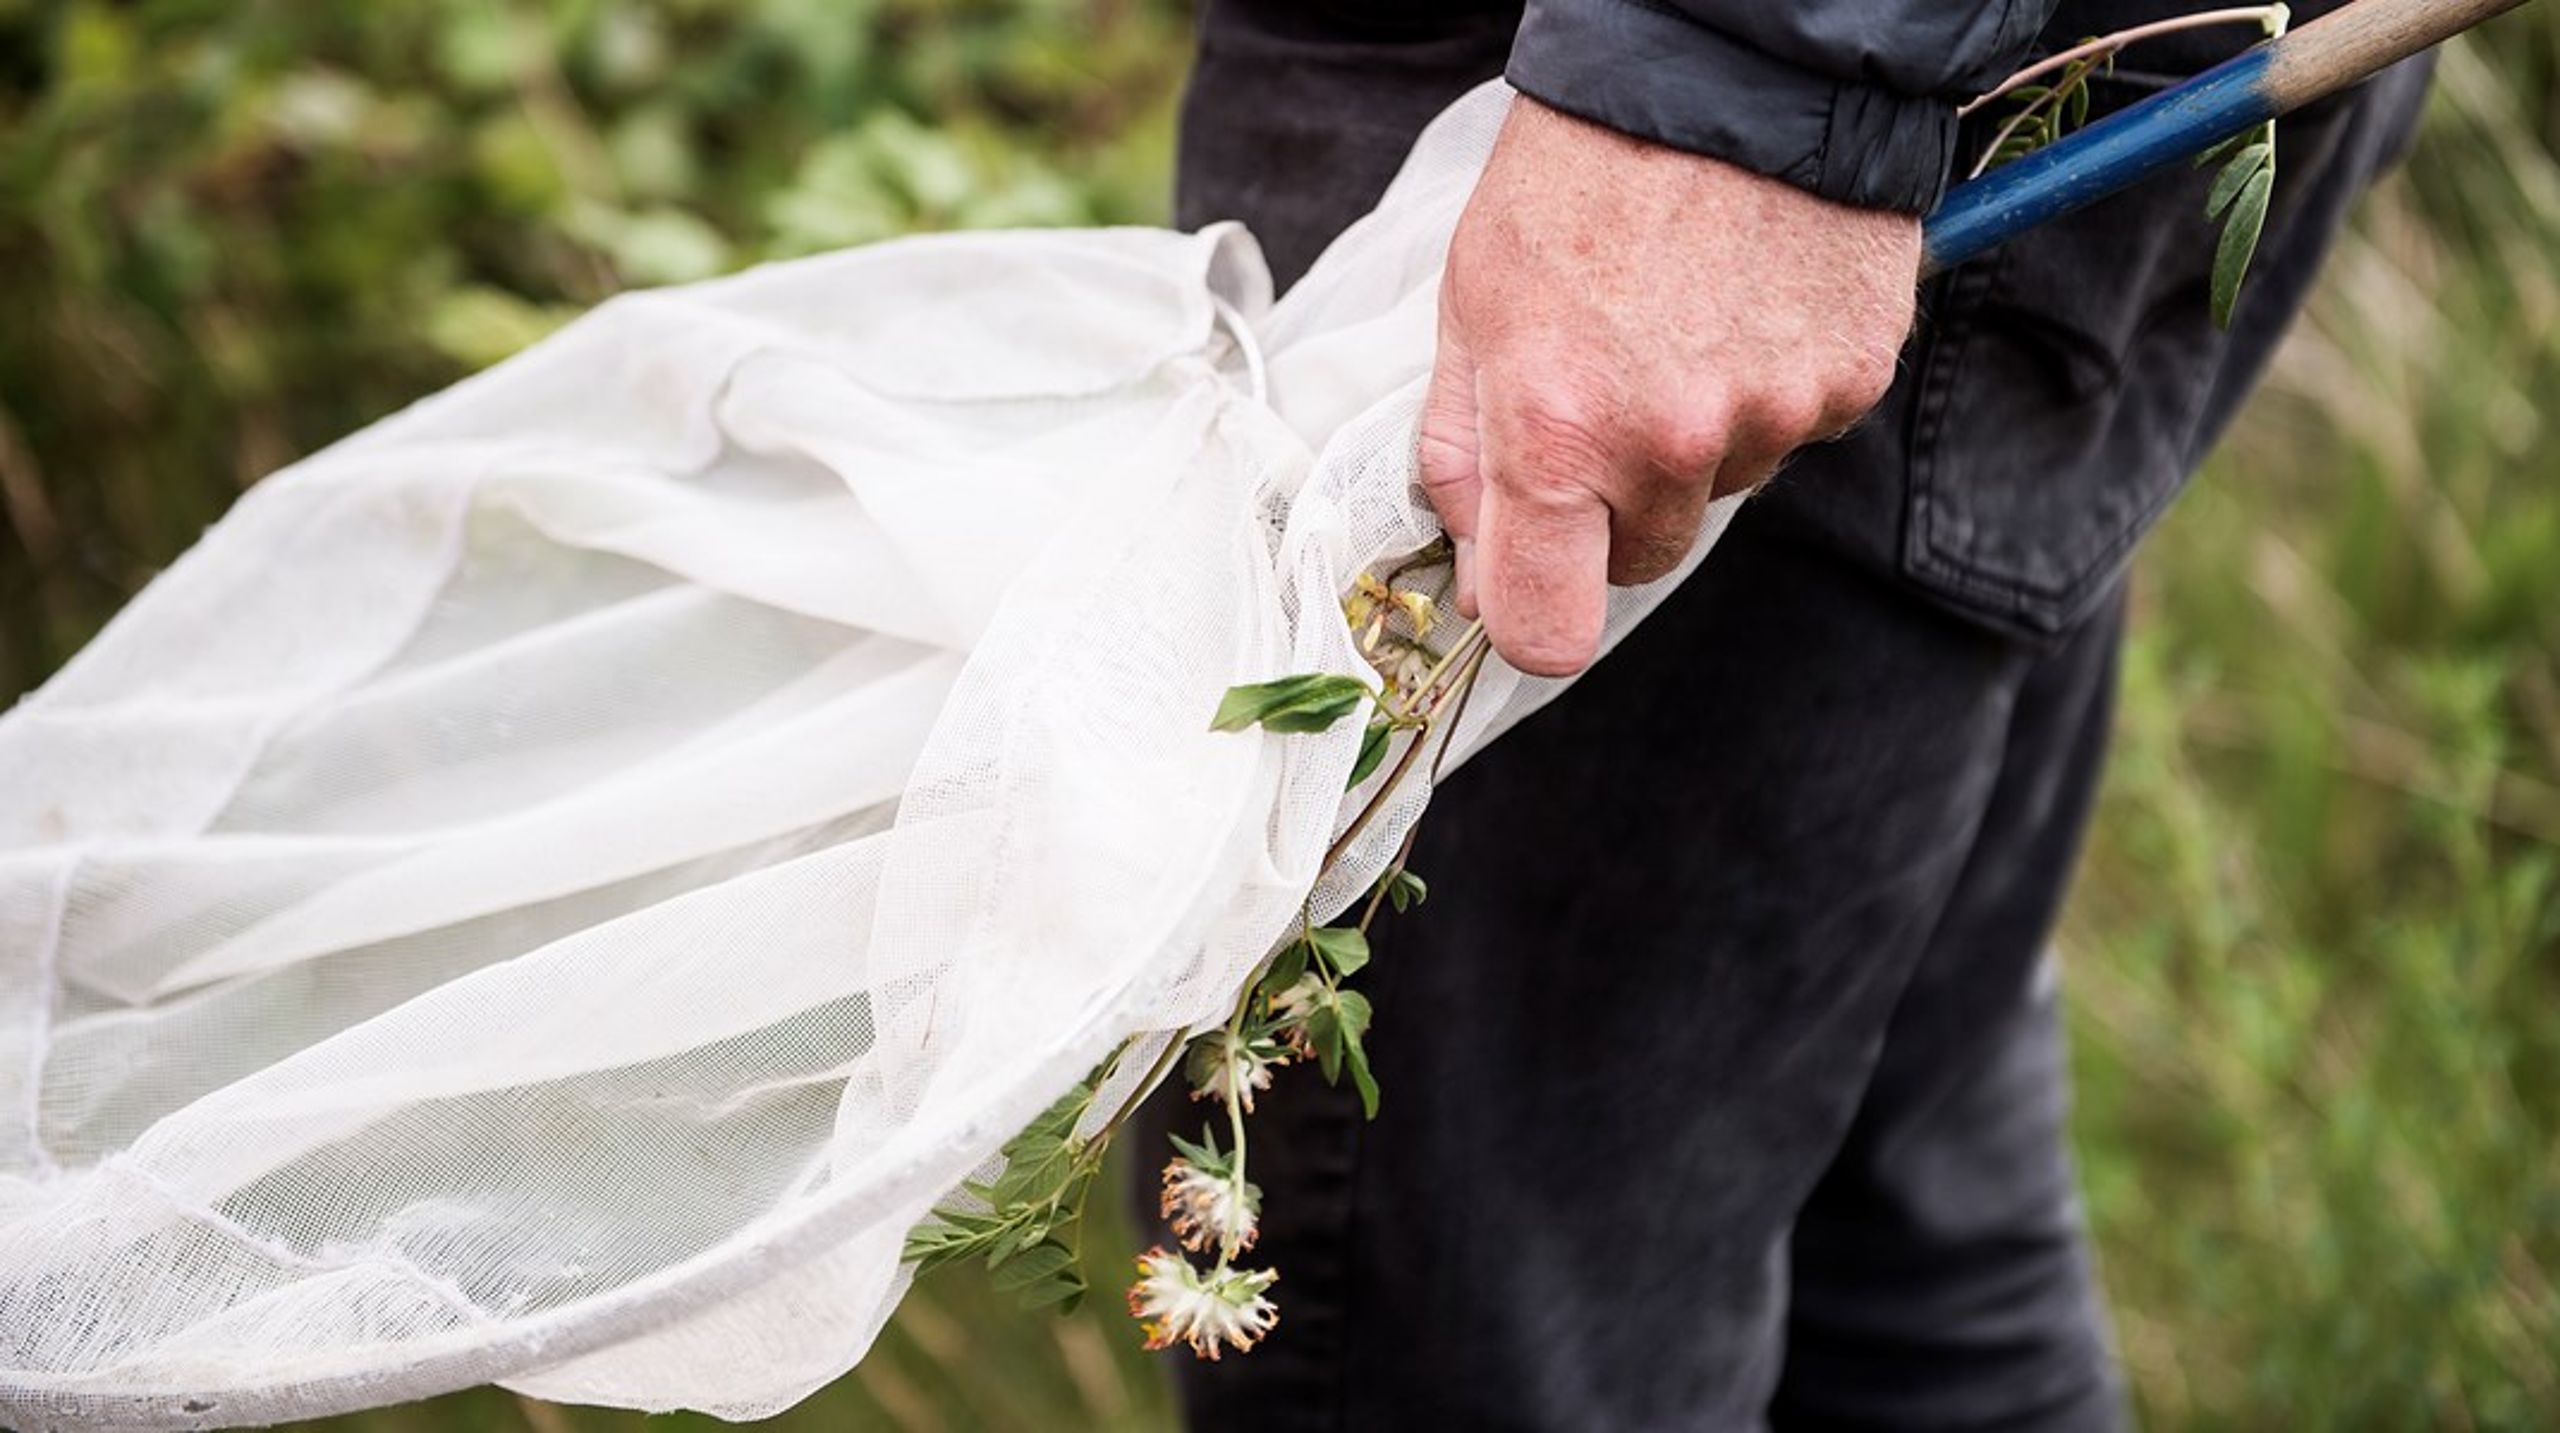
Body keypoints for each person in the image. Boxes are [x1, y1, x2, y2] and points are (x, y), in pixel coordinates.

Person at [1137, 2, 2432, 1428]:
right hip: (1857, 94)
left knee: (1475, 1342)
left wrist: (1739, 72)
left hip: (1698, 141)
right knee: (1893, 1254)